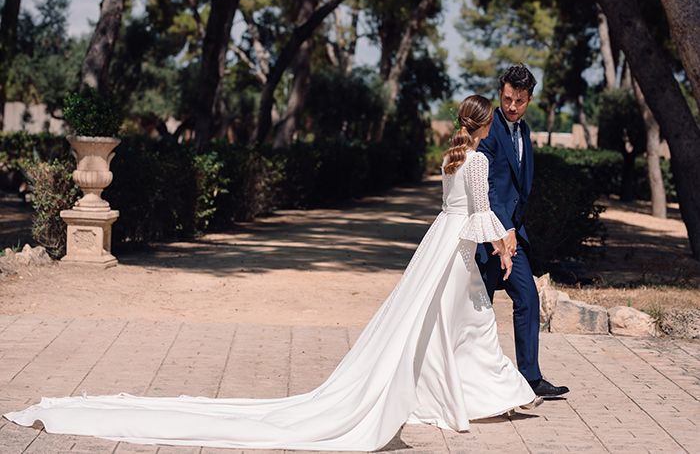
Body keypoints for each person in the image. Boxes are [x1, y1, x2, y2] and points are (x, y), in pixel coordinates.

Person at [4, 96, 542, 452]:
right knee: (464, 323)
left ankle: (470, 393)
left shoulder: (451, 159)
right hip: (452, 252)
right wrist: (503, 245)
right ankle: (480, 393)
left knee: (453, 326)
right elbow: (478, 213)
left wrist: (492, 239)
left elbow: (460, 211)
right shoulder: (477, 162)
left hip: (437, 246)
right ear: (485, 124)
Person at [476, 64, 569, 398]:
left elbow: (519, 187)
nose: (511, 106)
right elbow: (485, 186)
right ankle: (470, 379)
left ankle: (530, 378)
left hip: (514, 240)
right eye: (506, 98)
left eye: (519, 100)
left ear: (530, 99)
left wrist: (515, 232)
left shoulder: (524, 130)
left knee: (528, 300)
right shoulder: (488, 128)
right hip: (486, 237)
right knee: (478, 309)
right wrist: (505, 229)